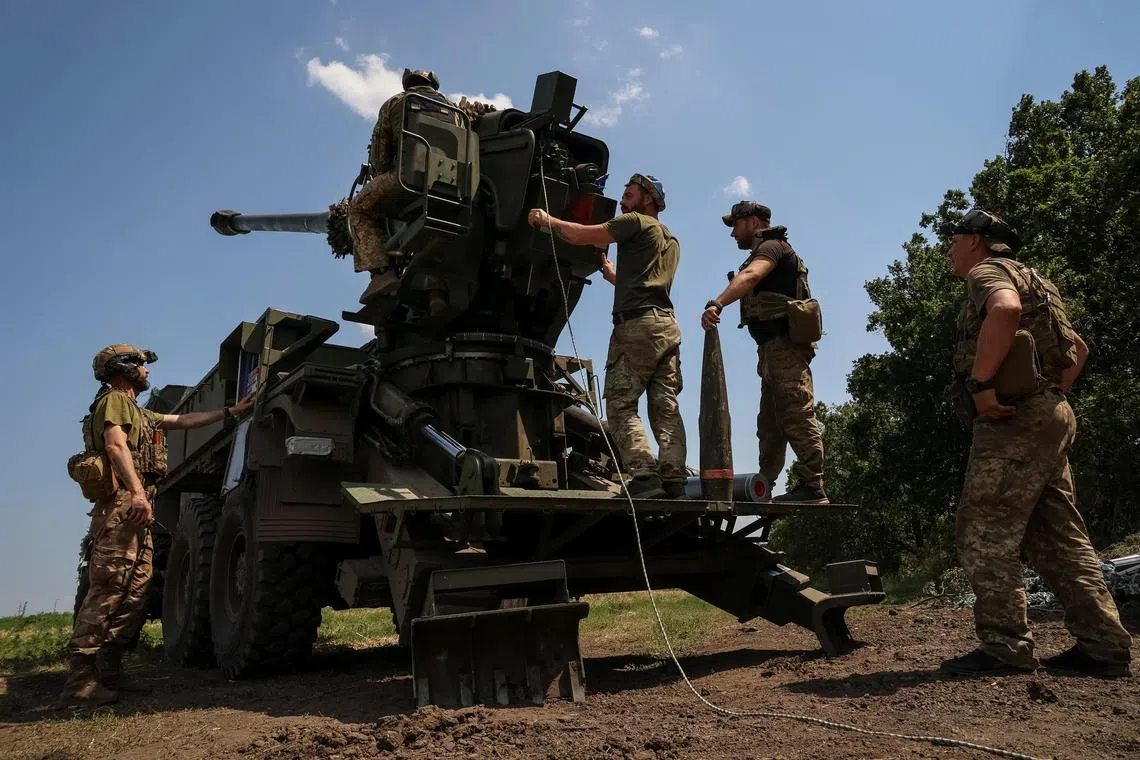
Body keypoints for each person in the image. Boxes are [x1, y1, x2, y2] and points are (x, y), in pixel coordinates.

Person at [939, 208, 1132, 677]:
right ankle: (1104, 646)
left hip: (1014, 420)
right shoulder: (1037, 280)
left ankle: (1005, 646)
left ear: (977, 241)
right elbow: (1078, 349)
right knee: (1058, 536)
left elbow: (1004, 311)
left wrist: (981, 385)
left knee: (983, 528)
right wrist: (1051, 393)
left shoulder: (989, 272)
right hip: (1049, 415)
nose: (949, 246)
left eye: (955, 237)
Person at [61, 344, 254, 705]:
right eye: (142, 365)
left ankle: (109, 672)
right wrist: (136, 493)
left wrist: (231, 412)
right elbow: (116, 446)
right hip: (123, 507)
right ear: (123, 368)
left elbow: (180, 422)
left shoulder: (136, 409)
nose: (147, 371)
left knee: (136, 590)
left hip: (136, 509)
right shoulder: (115, 401)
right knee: (108, 589)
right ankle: (80, 681)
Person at [527, 173, 687, 498]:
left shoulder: (634, 222)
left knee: (620, 406)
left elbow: (579, 235)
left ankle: (644, 476)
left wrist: (546, 220)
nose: (625, 197)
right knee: (666, 408)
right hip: (666, 327)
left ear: (648, 199)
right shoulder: (670, 240)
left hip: (636, 327)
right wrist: (616, 277)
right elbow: (648, 285)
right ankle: (674, 480)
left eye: (631, 193)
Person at [700, 201, 827, 503]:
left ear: (754, 222)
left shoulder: (772, 247)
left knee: (796, 414)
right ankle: (765, 483)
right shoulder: (766, 249)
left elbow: (752, 276)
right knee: (769, 424)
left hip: (785, 350)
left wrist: (717, 303)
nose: (732, 234)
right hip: (770, 352)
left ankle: (813, 486)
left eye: (736, 225)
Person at [348, 68, 459, 305]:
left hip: (407, 180)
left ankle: (381, 275)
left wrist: (381, 177)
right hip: (451, 185)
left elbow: (380, 156)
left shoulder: (397, 102)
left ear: (408, 83)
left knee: (358, 208)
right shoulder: (455, 109)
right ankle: (436, 287)